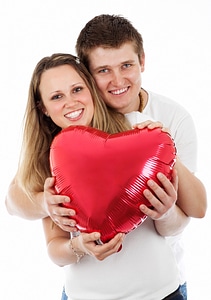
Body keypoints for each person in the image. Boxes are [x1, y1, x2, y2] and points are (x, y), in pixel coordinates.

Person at [8, 52, 185, 299]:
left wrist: (166, 211)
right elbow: (52, 246)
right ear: (43, 108)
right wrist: (78, 246)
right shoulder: (50, 158)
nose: (70, 102)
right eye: (57, 96)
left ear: (90, 88)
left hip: (161, 293)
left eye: (77, 89)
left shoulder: (137, 129)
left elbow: (188, 217)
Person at [74, 14, 207, 299]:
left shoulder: (174, 117)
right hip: (88, 290)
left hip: (161, 287)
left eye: (127, 65)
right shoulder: (76, 119)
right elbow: (15, 199)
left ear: (142, 61)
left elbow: (193, 211)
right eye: (103, 70)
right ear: (86, 74)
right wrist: (44, 202)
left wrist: (162, 143)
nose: (118, 80)